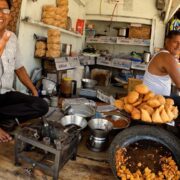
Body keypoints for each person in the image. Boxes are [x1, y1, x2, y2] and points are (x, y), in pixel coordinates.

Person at [0, 0, 49, 142]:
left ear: (10, 14)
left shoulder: (12, 38)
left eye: (5, 10)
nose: (1, 14)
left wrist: (34, 91)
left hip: (5, 94)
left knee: (41, 105)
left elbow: (19, 68)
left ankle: (3, 118)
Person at [143, 30, 180, 97]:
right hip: (154, 101)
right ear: (167, 41)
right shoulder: (166, 56)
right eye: (176, 42)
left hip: (154, 97)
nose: (178, 46)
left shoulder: (162, 53)